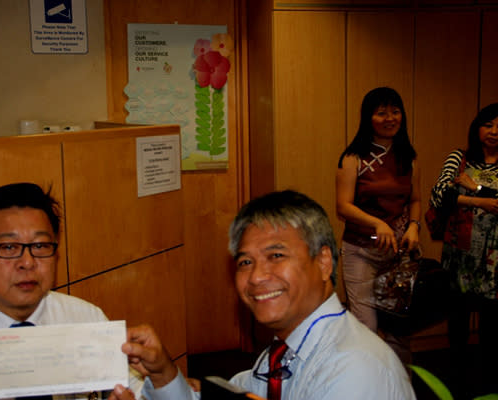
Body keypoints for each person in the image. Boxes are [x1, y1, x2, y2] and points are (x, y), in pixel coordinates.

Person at [114, 190, 415, 400]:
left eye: (276, 255)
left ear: (324, 262)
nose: (256, 277)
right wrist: (163, 372)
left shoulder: (354, 369)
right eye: (245, 262)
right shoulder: (283, 354)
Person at [0, 182, 143, 400]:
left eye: (40, 245)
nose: (28, 262)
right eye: (9, 247)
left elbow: (136, 389)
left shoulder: (87, 320)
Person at [335, 87, 420, 365]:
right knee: (366, 329)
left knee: (399, 331)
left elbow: (415, 200)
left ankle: (401, 389)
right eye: (381, 112)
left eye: (395, 111)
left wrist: (414, 226)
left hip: (398, 256)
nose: (390, 118)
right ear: (368, 117)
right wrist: (377, 223)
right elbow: (343, 206)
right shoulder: (352, 158)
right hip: (361, 252)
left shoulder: (409, 157)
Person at [429, 103, 498, 396]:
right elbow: (440, 193)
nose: (494, 132)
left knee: (491, 331)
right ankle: (455, 385)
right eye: (488, 124)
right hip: (459, 255)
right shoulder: (460, 157)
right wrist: (481, 202)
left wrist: (475, 189)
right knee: (456, 325)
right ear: (477, 127)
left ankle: (488, 387)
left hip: (495, 261)